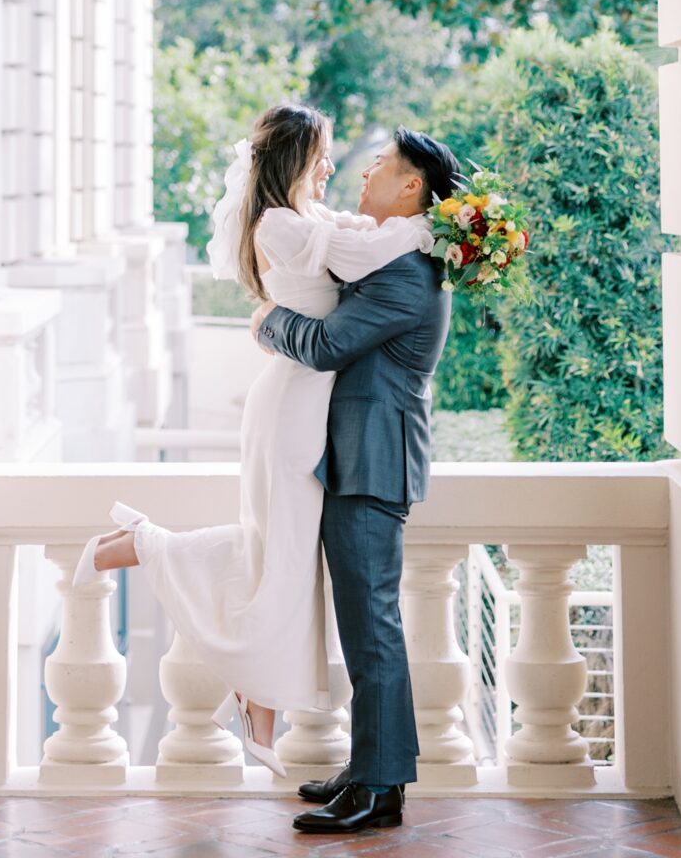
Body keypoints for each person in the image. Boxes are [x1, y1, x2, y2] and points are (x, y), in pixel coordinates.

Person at [71, 104, 437, 782]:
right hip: (297, 400)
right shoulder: (284, 224)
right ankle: (149, 550)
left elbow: (358, 236)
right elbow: (362, 260)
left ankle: (258, 697)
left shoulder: (313, 220)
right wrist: (436, 230)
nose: (335, 166)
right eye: (323, 154)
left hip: (308, 400)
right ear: (296, 159)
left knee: (282, 555)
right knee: (282, 553)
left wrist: (439, 229)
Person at [250, 126, 459, 836]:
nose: (364, 174)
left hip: (374, 463)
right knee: (362, 624)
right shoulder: (390, 255)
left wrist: (269, 321)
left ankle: (381, 787)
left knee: (373, 627)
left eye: (381, 165)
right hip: (357, 458)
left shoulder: (405, 273)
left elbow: (330, 344)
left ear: (411, 188)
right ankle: (367, 768)